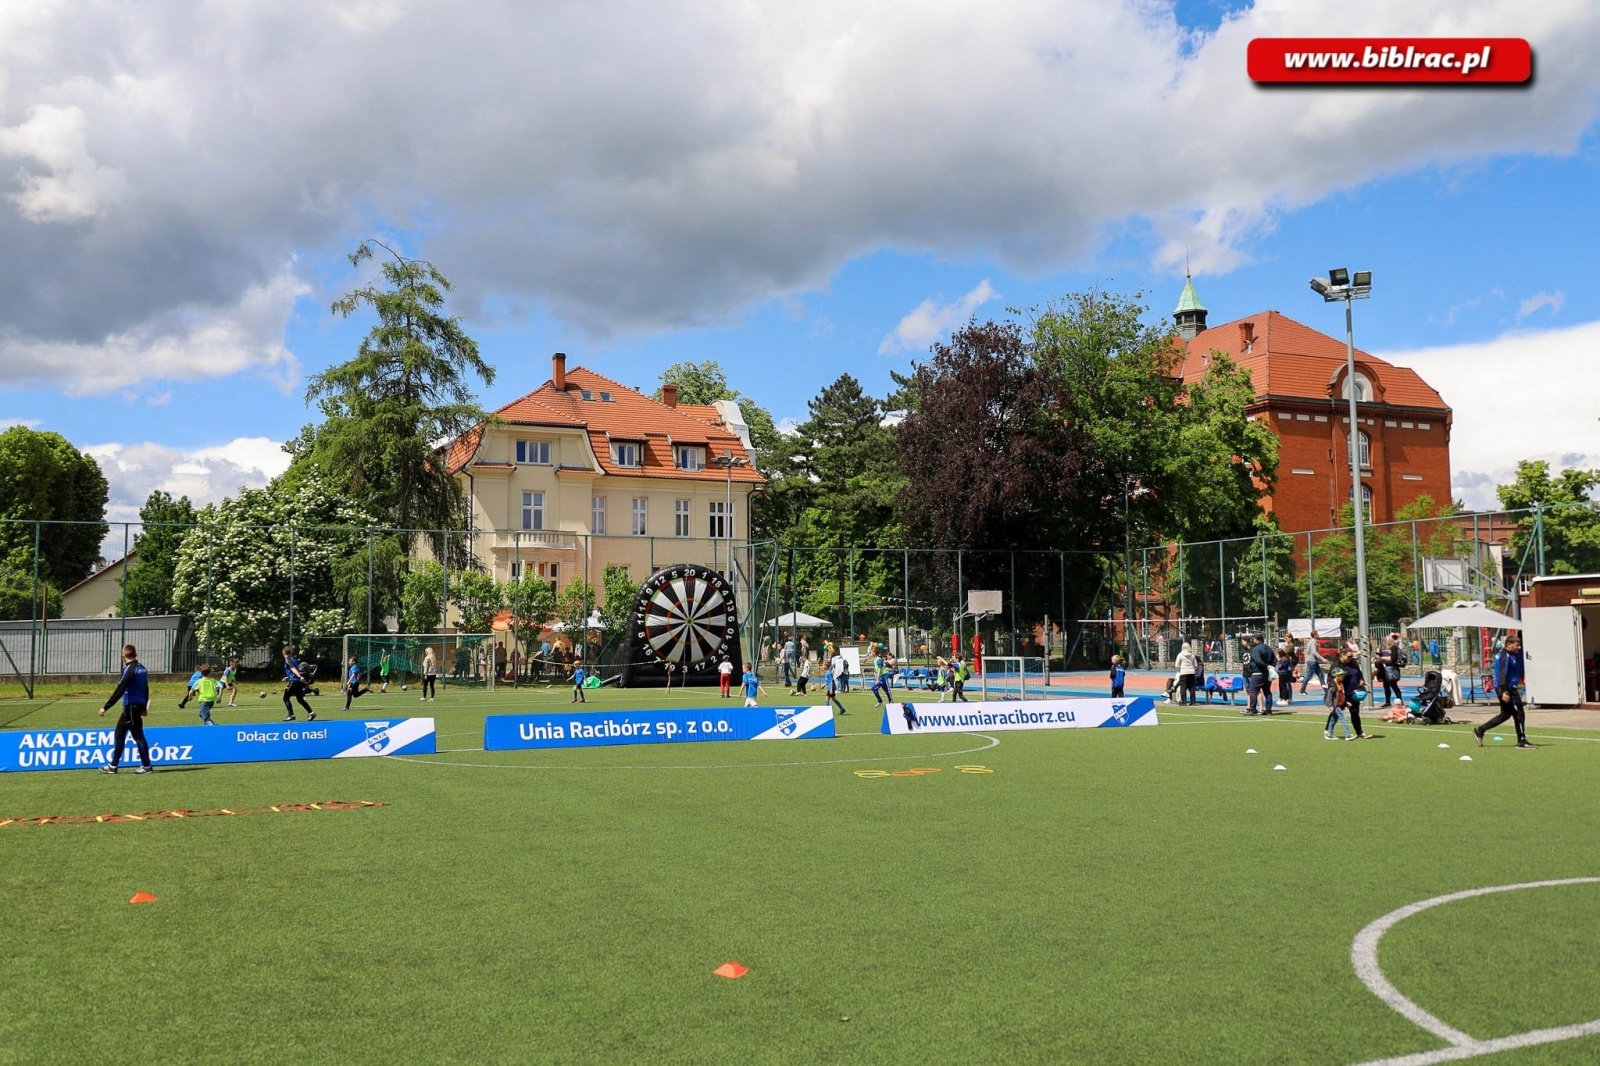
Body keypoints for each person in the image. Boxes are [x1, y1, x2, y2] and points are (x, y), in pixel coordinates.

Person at [99, 644, 154, 773]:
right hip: (137, 705)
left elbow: (120, 689)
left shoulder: (129, 670)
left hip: (131, 706)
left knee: (138, 736)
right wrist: (144, 706)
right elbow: (146, 688)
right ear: (135, 654)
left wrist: (106, 707)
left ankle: (146, 766)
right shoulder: (142, 668)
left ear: (123, 656)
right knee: (119, 733)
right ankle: (113, 765)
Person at [1475, 635, 1535, 748]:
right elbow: (1502, 674)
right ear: (1508, 645)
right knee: (1518, 712)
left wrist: (1519, 683)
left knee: (1506, 714)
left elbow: (1515, 672)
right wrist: (1505, 691)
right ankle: (1522, 739)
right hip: (1506, 688)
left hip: (1511, 687)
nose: (1519, 647)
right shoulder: (1504, 656)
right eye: (1516, 645)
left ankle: (1481, 730)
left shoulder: (1513, 655)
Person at [1323, 650, 1356, 741]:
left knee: (1334, 719)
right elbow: (1329, 696)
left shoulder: (1340, 684)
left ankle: (1329, 734)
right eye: (1341, 675)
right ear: (1337, 676)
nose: (1343, 676)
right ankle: (1348, 735)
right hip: (1335, 705)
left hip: (1340, 704)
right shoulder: (1333, 686)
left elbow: (1342, 695)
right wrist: (1330, 705)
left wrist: (1346, 703)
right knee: (1343, 718)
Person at [1243, 635, 1276, 716]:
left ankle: (1252, 709)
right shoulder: (1268, 648)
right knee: (1267, 691)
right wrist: (1270, 667)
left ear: (1256, 639)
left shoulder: (1256, 649)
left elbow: (1258, 660)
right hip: (1267, 673)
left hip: (1258, 672)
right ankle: (1268, 709)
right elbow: (1275, 660)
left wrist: (1265, 666)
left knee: (1252, 690)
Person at [281, 645, 316, 722]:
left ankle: (291, 715)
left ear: (284, 653)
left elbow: (292, 669)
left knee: (286, 698)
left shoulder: (287, 659)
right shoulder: (294, 659)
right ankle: (311, 713)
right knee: (300, 699)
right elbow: (295, 670)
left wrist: (299, 676)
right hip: (298, 682)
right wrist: (288, 677)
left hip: (294, 681)